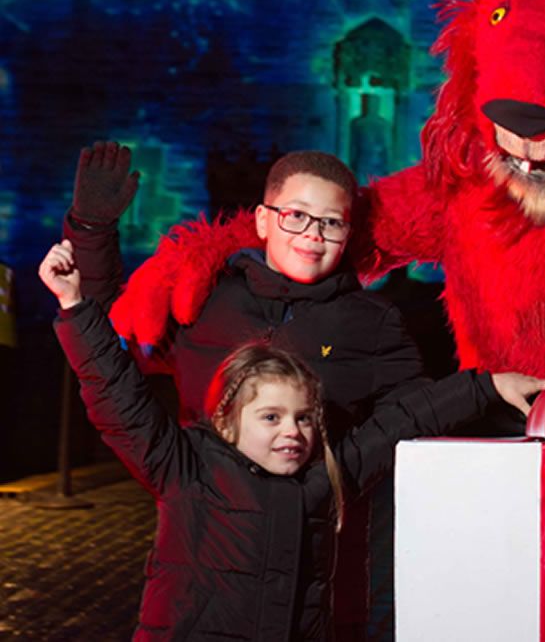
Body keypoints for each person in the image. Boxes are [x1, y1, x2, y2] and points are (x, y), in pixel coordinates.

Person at [39, 238, 541, 640]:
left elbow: (401, 421)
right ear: (230, 420)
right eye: (271, 417)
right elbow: (117, 395)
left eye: (304, 418)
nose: (292, 432)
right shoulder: (188, 468)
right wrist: (74, 305)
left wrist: (488, 385)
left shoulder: (325, 475)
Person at [61, 143, 439, 638]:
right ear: (263, 220)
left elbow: (412, 423)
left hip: (307, 564)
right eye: (296, 216)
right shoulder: (202, 297)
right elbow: (112, 341)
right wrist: (90, 233)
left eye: (331, 222)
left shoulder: (373, 325)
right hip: (202, 549)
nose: (312, 235)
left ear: (348, 233)